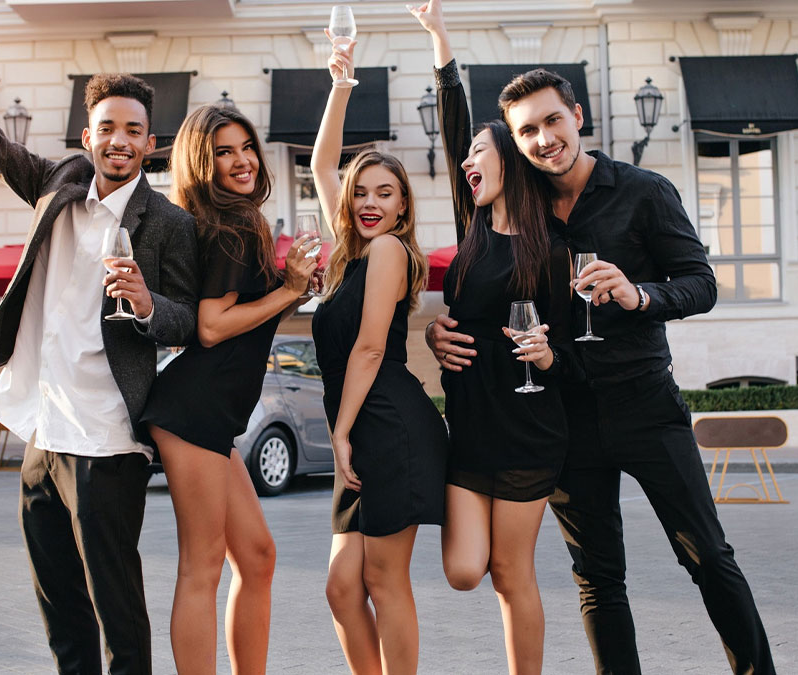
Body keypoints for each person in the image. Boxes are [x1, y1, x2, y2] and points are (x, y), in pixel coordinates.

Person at [416, 5, 778, 674]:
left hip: (644, 404)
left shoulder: (641, 192)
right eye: (528, 131)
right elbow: (462, 143)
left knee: (707, 555)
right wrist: (445, 328)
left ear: (577, 116)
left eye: (553, 121)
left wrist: (641, 294)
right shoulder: (517, 207)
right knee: (598, 579)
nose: (544, 138)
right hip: (565, 417)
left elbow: (701, 284)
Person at [0, 2, 197, 673]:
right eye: (107, 128)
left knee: (117, 614)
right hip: (44, 438)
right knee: (61, 613)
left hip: (108, 441)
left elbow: (187, 317)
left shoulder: (169, 224)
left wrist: (151, 304)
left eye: (133, 129)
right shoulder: (56, 183)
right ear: (87, 137)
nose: (119, 139)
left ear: (149, 143)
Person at [411, 3, 574, 673]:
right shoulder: (471, 226)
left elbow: (574, 341)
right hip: (471, 429)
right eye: (469, 154)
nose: (470, 160)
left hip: (531, 430)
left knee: (513, 574)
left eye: (483, 151)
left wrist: (552, 351)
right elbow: (454, 126)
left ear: (508, 158)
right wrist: (439, 41)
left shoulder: (553, 245)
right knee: (462, 569)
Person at [139, 103, 317, 675]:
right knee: (203, 564)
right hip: (194, 411)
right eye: (223, 151)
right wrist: (290, 289)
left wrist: (295, 288)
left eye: (246, 147)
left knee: (258, 557)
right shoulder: (235, 222)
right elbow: (213, 326)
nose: (241, 160)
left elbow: (244, 320)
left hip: (212, 415)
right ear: (202, 161)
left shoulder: (232, 218)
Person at [310, 36, 448, 675]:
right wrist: (340, 87)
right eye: (361, 191)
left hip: (386, 424)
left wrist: (339, 434)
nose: (369, 202)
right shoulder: (351, 257)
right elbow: (320, 168)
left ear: (402, 206)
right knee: (343, 587)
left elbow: (369, 349)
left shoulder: (390, 251)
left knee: (386, 581)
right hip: (360, 423)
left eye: (385, 193)